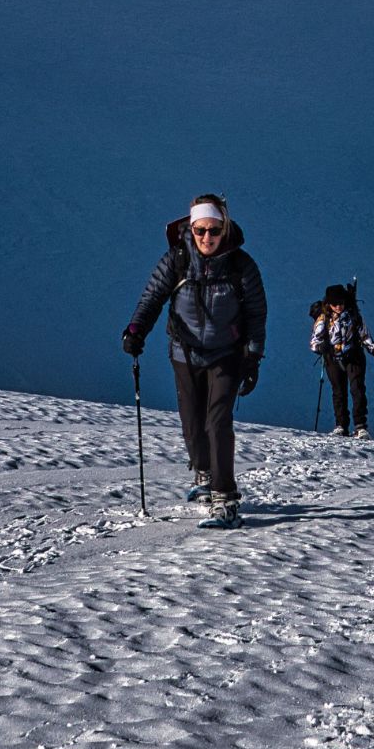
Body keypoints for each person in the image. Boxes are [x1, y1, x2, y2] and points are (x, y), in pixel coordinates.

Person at [122, 193, 267, 527]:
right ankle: (203, 474)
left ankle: (225, 499)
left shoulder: (242, 266)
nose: (207, 237)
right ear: (191, 226)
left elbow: (256, 313)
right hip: (184, 353)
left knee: (217, 422)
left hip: (226, 355)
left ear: (224, 227)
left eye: (214, 230)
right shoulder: (176, 260)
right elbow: (152, 297)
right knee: (192, 424)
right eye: (200, 230)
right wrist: (136, 330)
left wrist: (253, 357)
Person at [309, 283, 374, 438]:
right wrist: (320, 348)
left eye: (341, 303)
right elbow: (314, 342)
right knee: (339, 392)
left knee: (358, 389)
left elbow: (364, 335)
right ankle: (341, 425)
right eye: (335, 304)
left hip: (354, 356)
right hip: (333, 358)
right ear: (329, 304)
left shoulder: (353, 315)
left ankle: (360, 426)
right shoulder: (323, 319)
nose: (338, 307)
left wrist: (373, 348)